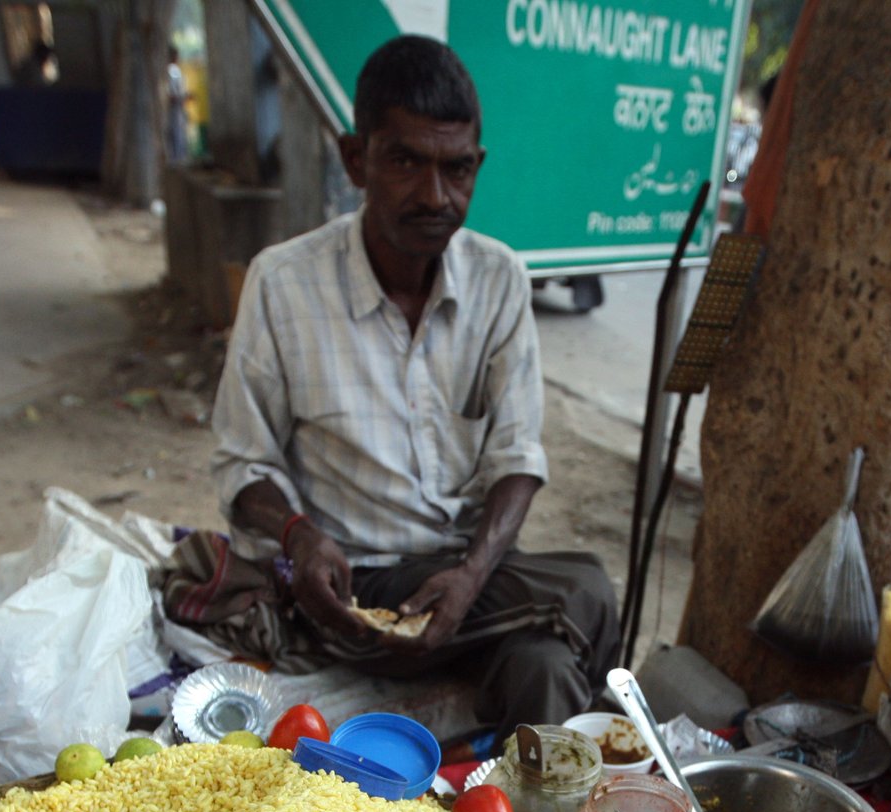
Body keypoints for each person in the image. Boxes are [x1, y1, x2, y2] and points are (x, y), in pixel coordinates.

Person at [209, 37, 617, 728]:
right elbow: (241, 462)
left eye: (456, 169)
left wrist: (471, 574)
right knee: (588, 590)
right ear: (354, 159)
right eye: (405, 161)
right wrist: (301, 537)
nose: (434, 195)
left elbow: (516, 458)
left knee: (544, 671)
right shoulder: (284, 282)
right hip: (349, 590)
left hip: (474, 581)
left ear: (477, 166)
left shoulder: (500, 281)